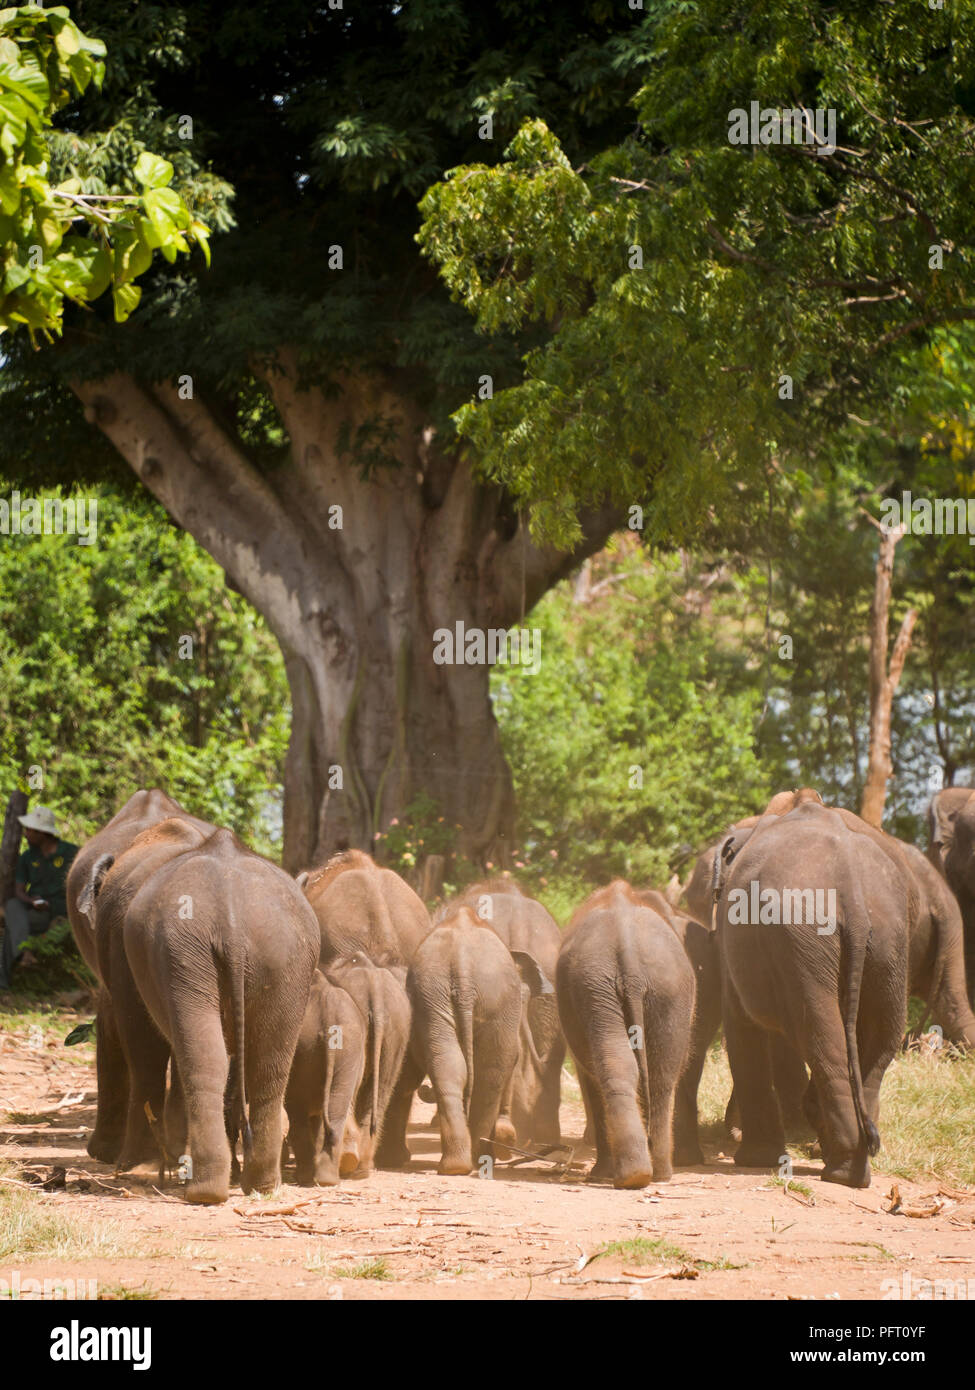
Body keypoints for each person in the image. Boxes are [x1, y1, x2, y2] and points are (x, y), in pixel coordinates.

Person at [0, 806, 78, 991]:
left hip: (61, 913)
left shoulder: (71, 853)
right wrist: (31, 901)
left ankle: (7, 975)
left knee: (10, 929)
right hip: (36, 912)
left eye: (29, 830)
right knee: (12, 906)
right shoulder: (28, 857)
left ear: (43, 833)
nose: (25, 834)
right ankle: (24, 952)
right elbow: (19, 890)